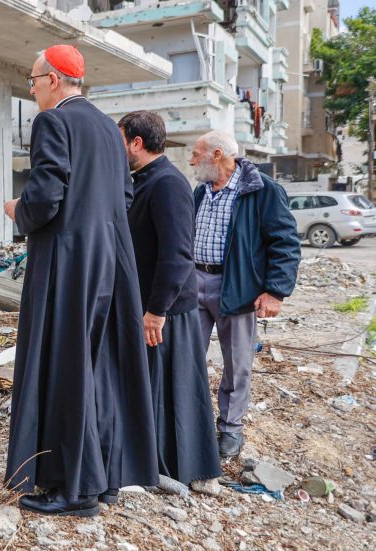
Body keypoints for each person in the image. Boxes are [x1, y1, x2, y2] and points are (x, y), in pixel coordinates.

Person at [2, 45, 158, 517]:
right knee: (99, 367)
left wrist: (19, 212)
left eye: (32, 82)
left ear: (52, 80)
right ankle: (104, 479)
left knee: (67, 369)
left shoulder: (53, 122)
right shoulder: (111, 130)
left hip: (70, 264)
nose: (31, 91)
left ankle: (74, 490)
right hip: (112, 263)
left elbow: (48, 193)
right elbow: (124, 193)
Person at [119, 111, 221, 484]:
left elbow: (178, 254)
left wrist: (156, 311)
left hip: (166, 312)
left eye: (120, 141)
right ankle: (158, 465)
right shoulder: (145, 180)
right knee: (156, 390)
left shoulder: (167, 184)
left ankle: (183, 469)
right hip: (152, 307)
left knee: (174, 393)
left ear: (136, 143)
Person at [189, 130, 300, 457]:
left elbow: (286, 243)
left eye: (197, 154)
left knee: (236, 364)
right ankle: (192, 424)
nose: (193, 160)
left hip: (236, 287)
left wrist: (275, 291)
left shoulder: (263, 191)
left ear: (218, 155)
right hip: (195, 281)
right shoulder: (201, 191)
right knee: (186, 357)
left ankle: (230, 431)